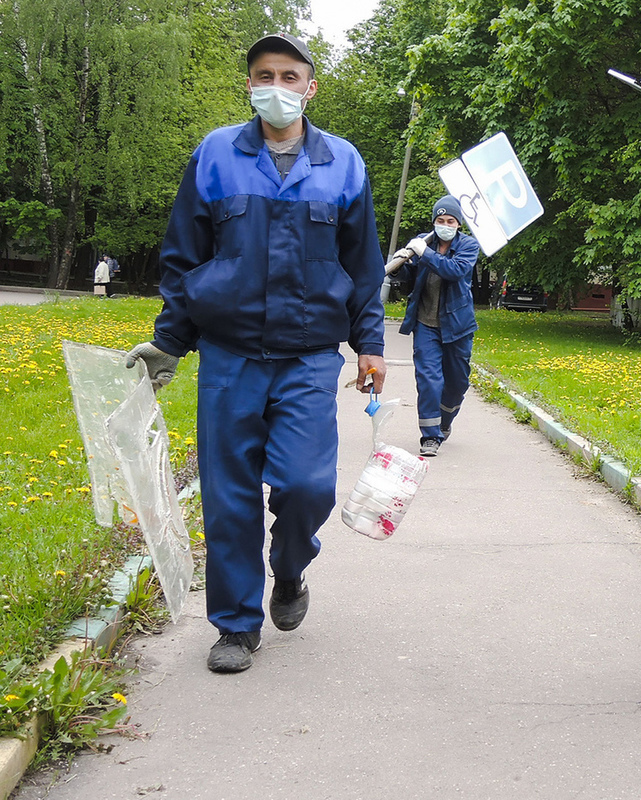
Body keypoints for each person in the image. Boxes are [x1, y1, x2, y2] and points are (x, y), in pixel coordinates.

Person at [124, 32, 387, 673]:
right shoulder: (215, 154)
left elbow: (362, 263)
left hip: (307, 356)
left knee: (306, 484)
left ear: (310, 86)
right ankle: (237, 626)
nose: (278, 85)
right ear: (250, 84)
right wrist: (168, 343)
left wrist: (370, 345)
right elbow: (184, 258)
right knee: (229, 494)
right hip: (229, 355)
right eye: (265, 74)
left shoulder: (344, 163)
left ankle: (290, 569)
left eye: (290, 75)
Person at [394, 196, 480, 457]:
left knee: (456, 384)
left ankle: (443, 423)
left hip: (457, 326)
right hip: (425, 325)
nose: (445, 225)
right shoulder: (424, 241)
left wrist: (425, 253)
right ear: (434, 222)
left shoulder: (468, 246)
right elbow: (411, 276)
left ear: (458, 224)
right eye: (440, 220)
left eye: (450, 221)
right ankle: (430, 437)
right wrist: (402, 263)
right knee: (429, 379)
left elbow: (453, 271)